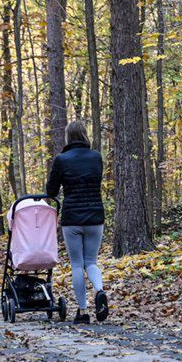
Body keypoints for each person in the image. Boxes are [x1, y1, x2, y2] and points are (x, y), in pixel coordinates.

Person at [46, 120, 109, 324]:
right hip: (95, 216)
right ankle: (100, 291)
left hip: (72, 218)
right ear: (84, 135)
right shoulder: (96, 157)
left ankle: (82, 311)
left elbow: (51, 192)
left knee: (76, 265)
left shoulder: (61, 160)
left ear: (68, 137)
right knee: (91, 262)